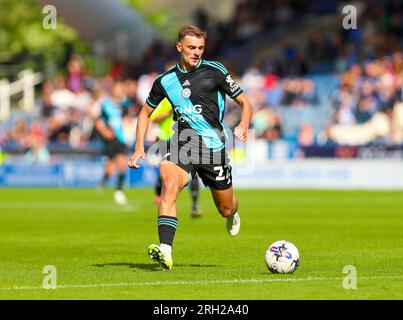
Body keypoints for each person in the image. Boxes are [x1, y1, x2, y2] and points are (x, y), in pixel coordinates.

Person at [128, 25, 253, 270]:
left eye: (200, 48)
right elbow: (145, 114)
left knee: (225, 207)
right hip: (181, 143)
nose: (197, 52)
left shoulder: (215, 71)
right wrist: (138, 147)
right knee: (169, 186)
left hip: (213, 147)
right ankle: (165, 250)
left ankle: (233, 213)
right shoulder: (164, 81)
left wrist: (244, 124)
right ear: (179, 47)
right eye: (191, 48)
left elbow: (245, 102)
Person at [150, 97, 203, 217]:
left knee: (193, 171)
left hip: (184, 140)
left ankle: (195, 205)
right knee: (165, 173)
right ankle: (161, 198)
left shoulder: (184, 99)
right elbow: (153, 117)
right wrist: (169, 112)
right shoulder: (162, 101)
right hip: (166, 140)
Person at [92, 81, 129, 205]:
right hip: (109, 139)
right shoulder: (105, 104)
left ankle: (119, 191)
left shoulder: (125, 104)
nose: (120, 91)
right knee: (111, 168)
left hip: (121, 138)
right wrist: (104, 131)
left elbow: (128, 119)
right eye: (118, 88)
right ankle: (104, 180)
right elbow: (97, 120)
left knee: (122, 164)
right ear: (113, 90)